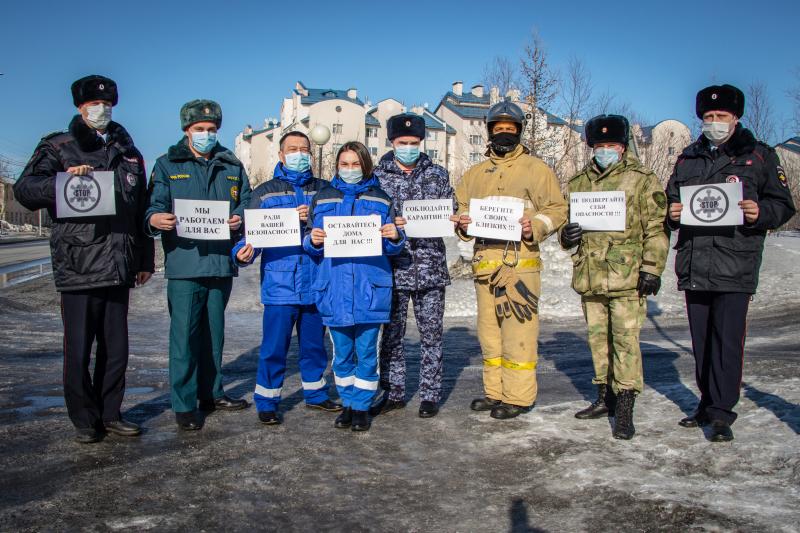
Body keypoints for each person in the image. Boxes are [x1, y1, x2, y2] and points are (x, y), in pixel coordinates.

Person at [14, 74, 154, 443]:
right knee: (78, 348)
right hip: (79, 261)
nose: (101, 108)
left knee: (116, 349)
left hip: (119, 262)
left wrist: (144, 260)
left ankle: (111, 413)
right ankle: (84, 419)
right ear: (79, 107)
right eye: (93, 103)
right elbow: (25, 189)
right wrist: (61, 181)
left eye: (107, 103)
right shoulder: (58, 146)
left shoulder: (128, 151)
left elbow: (139, 207)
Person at [666, 84, 795, 442]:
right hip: (695, 262)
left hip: (735, 263)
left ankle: (722, 412)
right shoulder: (688, 158)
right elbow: (671, 200)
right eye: (708, 117)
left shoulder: (759, 156)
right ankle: (706, 403)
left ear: (735, 118)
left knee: (727, 342)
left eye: (721, 116)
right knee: (702, 342)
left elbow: (783, 205)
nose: (714, 122)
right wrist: (672, 212)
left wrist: (759, 212)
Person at [454, 101, 568, 419]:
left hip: (520, 267)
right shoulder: (474, 174)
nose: (505, 133)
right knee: (489, 334)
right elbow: (463, 209)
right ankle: (495, 392)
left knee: (519, 333)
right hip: (485, 266)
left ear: (519, 131)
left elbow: (557, 208)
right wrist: (463, 224)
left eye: (511, 128)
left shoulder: (537, 169)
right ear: (490, 131)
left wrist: (539, 225)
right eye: (499, 128)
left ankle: (518, 397)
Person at [559, 114, 669, 440]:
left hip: (626, 276)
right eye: (599, 145)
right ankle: (603, 398)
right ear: (591, 147)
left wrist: (652, 268)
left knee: (625, 342)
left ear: (623, 147)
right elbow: (568, 230)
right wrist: (567, 236)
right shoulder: (579, 182)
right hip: (590, 276)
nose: (605, 150)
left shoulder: (642, 179)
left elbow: (657, 229)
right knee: (598, 342)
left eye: (612, 145)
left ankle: (625, 407)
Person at [145, 99, 252, 431]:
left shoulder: (231, 166)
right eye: (199, 129)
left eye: (212, 129)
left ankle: (212, 392)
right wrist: (155, 218)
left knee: (214, 334)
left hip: (220, 263)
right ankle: (184, 402)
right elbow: (152, 206)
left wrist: (241, 217)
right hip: (185, 264)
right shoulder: (167, 164)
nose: (206, 134)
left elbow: (247, 202)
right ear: (187, 131)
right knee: (185, 337)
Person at [232, 131, 341, 425]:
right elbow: (249, 236)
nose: (299, 154)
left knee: (315, 346)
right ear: (281, 155)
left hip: (317, 282)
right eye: (292, 149)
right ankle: (267, 400)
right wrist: (242, 252)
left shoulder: (327, 190)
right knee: (274, 347)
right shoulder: (265, 192)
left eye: (304, 149)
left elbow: (341, 230)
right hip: (281, 285)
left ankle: (316, 394)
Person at [303, 141, 405, 432]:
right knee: (342, 352)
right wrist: (314, 240)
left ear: (365, 165)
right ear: (337, 166)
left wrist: (394, 236)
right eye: (344, 164)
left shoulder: (382, 198)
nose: (350, 170)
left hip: (370, 288)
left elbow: (394, 245)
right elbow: (310, 242)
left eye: (355, 164)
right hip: (334, 289)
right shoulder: (322, 198)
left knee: (368, 352)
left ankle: (361, 406)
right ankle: (347, 401)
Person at [371, 113, 454, 418]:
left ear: (422, 142)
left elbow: (450, 208)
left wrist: (454, 217)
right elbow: (368, 218)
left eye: (414, 142)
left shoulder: (438, 175)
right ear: (391, 142)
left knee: (432, 336)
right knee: (392, 335)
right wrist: (388, 223)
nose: (408, 147)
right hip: (392, 269)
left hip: (430, 268)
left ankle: (430, 394)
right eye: (402, 142)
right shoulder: (377, 178)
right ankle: (393, 392)